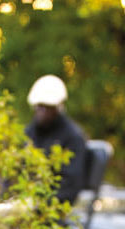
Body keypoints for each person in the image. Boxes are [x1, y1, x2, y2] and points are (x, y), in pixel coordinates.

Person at [23, 74, 88, 204]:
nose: (41, 112)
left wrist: (40, 204)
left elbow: (70, 186)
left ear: (58, 107)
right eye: (39, 106)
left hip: (52, 209)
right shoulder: (29, 133)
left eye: (47, 107)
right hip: (25, 203)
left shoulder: (73, 137)